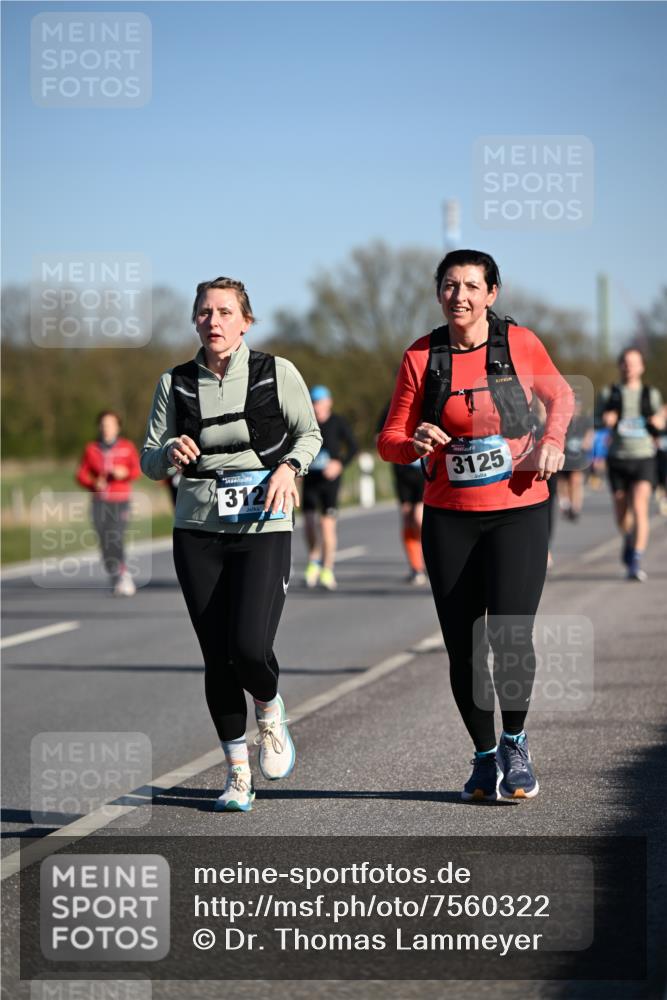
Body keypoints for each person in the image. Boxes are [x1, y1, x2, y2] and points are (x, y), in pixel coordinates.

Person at [378, 249, 574, 802]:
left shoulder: (520, 344)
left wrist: (553, 440)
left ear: (492, 293)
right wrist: (413, 441)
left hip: (520, 508)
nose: (459, 296)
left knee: (511, 635)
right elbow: (389, 438)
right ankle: (484, 756)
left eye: (470, 286)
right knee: (464, 646)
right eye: (449, 285)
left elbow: (560, 396)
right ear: (438, 292)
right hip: (449, 518)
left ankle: (514, 742)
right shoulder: (421, 356)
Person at [141, 277, 322, 812]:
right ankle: (237, 774)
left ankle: (269, 709)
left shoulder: (276, 372)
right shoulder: (174, 383)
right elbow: (149, 459)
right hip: (197, 530)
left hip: (262, 524)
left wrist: (289, 467)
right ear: (194, 320)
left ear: (246, 320)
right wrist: (170, 448)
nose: (213, 321)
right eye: (204, 313)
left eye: (224, 312)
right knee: (216, 657)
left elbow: (309, 433)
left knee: (247, 647)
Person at [598, 347, 664, 581]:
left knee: (640, 505)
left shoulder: (650, 394)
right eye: (625, 362)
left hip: (644, 457)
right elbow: (596, 423)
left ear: (642, 367)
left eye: (634, 363)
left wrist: (658, 421)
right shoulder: (609, 393)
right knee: (621, 512)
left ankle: (636, 559)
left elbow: (659, 422)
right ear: (620, 365)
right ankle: (628, 538)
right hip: (617, 458)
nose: (630, 367)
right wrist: (605, 420)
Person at [76, 410, 141, 596]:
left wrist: (125, 473)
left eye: (110, 424)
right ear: (99, 427)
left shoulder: (127, 447)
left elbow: (137, 470)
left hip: (120, 500)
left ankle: (123, 574)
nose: (107, 428)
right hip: (99, 501)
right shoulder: (91, 449)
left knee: (116, 537)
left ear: (118, 427)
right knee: (104, 541)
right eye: (103, 425)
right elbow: (80, 474)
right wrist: (92, 483)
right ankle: (114, 574)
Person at [302, 385, 358, 591]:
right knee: (308, 523)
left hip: (330, 481)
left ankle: (327, 569)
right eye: (314, 403)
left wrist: (339, 464)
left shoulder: (338, 422)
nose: (317, 408)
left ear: (329, 403)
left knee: (326, 525)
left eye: (320, 403)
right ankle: (313, 561)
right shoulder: (307, 423)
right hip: (311, 479)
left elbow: (353, 447)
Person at [377, 402, 427, 585]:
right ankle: (416, 567)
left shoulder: (428, 402)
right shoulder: (390, 409)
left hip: (423, 470)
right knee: (407, 517)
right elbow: (382, 438)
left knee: (419, 518)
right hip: (402, 472)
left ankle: (432, 556)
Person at [557, 398, 594, 521]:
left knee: (575, 481)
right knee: (562, 482)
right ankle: (565, 503)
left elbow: (590, 436)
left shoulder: (585, 421)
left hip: (578, 457)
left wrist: (587, 442)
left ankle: (575, 508)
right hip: (565, 456)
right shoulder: (563, 421)